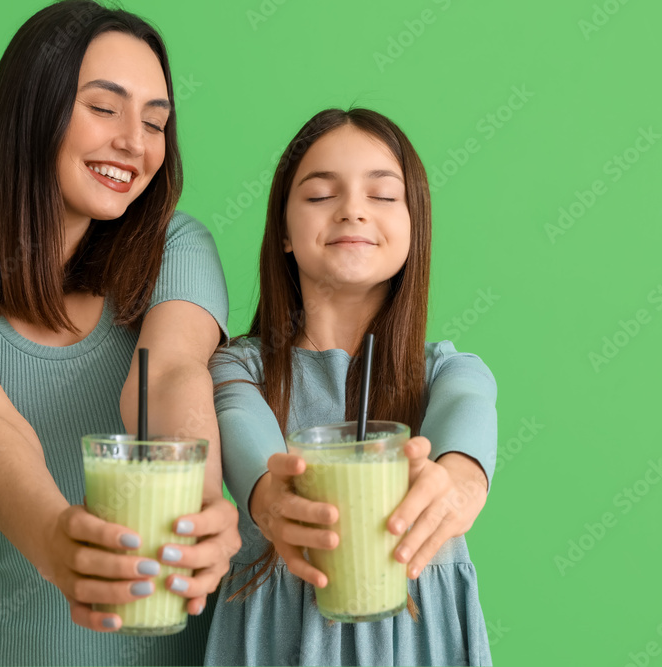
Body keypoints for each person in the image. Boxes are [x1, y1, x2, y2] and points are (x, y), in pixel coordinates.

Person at [0, 2, 240, 665]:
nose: (136, 142)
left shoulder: (176, 248)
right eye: (105, 109)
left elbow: (168, 374)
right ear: (31, 112)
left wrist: (201, 502)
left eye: (156, 121)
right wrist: (57, 540)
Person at [204, 108, 496, 666]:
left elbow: (468, 416)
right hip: (276, 642)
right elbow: (247, 437)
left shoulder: (449, 372)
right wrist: (272, 498)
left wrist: (455, 484)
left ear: (415, 227)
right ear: (284, 233)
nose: (353, 210)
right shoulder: (236, 370)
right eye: (319, 196)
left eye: (384, 196)